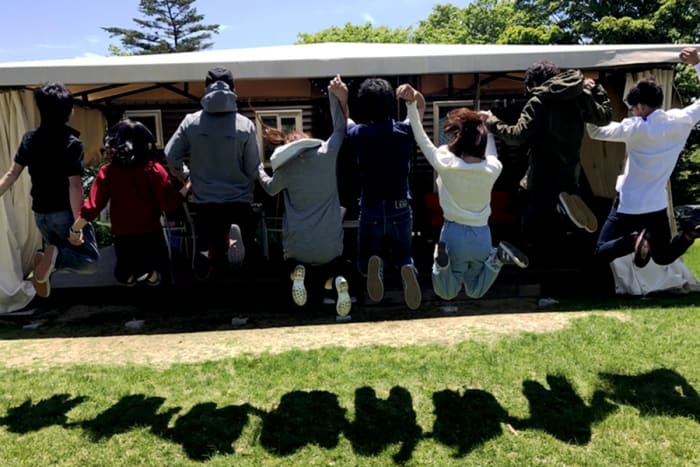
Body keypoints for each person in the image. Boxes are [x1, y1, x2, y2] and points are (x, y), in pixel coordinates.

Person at [397, 84, 529, 300]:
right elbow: (491, 150)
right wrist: (486, 123)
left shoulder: (446, 163)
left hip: (453, 234)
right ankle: (497, 258)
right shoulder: (492, 169)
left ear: (458, 137)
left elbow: (420, 137)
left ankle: (444, 264)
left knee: (445, 292)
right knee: (475, 291)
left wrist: (411, 105)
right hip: (482, 236)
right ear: (482, 140)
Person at [482, 61, 612, 264]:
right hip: (570, 174)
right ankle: (564, 214)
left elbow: (517, 136)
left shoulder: (538, 100)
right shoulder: (579, 96)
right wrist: (598, 89)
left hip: (541, 176)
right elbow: (604, 117)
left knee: (530, 223)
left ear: (532, 82)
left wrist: (492, 122)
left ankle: (528, 251)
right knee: (555, 227)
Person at [586, 47, 700, 268]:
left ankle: (634, 239)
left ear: (641, 106)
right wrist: (697, 63)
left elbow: (596, 132)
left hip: (628, 204)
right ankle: (689, 233)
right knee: (663, 256)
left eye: (633, 108)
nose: (632, 112)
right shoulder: (681, 119)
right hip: (656, 205)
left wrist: (590, 97)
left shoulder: (634, 128)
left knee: (600, 251)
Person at [257, 75, 352, 316]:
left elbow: (269, 188)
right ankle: (339, 280)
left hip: (298, 244)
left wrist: (258, 167)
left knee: (293, 264)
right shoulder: (326, 153)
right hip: (330, 243)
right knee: (332, 267)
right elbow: (340, 127)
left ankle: (295, 273)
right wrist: (334, 95)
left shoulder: (286, 168)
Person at [0, 82, 98, 298]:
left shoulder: (30, 139)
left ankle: (47, 257)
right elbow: (74, 185)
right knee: (88, 261)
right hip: (64, 212)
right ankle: (52, 256)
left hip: (41, 215)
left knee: (57, 255)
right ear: (69, 111)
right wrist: (77, 224)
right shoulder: (72, 143)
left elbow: (11, 174)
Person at [164, 67, 260, 279]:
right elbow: (254, 167)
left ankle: (207, 260)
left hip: (205, 201)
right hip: (239, 200)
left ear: (206, 89)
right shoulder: (245, 124)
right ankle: (240, 274)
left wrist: (186, 175)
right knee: (242, 252)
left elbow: (171, 155)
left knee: (209, 246)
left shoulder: (191, 122)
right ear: (233, 90)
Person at [69, 119, 185, 286]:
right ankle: (150, 276)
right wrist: (187, 186)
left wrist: (75, 229)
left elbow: (93, 206)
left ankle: (140, 276)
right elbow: (170, 203)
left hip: (124, 238)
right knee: (161, 280)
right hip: (152, 235)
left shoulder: (108, 172)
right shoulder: (153, 169)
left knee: (124, 275)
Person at [344, 78, 423, 310]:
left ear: (365, 107)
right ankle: (407, 267)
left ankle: (374, 264)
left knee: (364, 260)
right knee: (404, 253)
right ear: (391, 104)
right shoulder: (405, 131)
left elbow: (345, 120)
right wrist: (414, 94)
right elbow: (420, 108)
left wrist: (342, 98)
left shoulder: (359, 134)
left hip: (371, 207)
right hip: (400, 206)